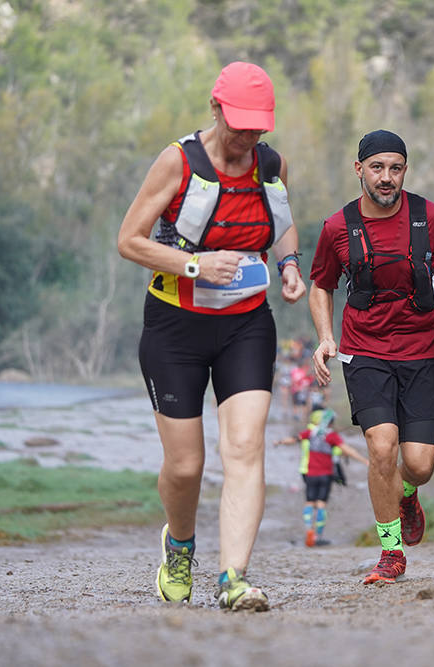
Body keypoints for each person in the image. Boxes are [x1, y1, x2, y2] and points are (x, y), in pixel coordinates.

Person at [116, 61, 306, 611]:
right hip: (175, 325)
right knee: (186, 465)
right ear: (216, 108)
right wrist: (196, 267)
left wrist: (290, 263)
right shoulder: (177, 162)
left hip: (247, 323)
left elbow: (283, 219)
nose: (249, 136)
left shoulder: (271, 164)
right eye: (240, 123)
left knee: (245, 447)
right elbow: (129, 240)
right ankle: (179, 546)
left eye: (258, 126)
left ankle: (234, 579)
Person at [309, 129, 434, 584]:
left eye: (395, 168)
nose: (386, 178)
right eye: (377, 168)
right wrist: (325, 337)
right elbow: (320, 284)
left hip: (422, 349)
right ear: (359, 170)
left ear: (405, 171)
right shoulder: (337, 227)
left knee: (418, 465)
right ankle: (391, 552)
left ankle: (405, 494)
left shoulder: (431, 217)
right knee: (382, 448)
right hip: (364, 351)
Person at [276, 406, 369, 547]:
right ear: (331, 423)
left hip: (310, 474)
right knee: (321, 504)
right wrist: (365, 461)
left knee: (309, 502)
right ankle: (318, 536)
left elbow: (294, 439)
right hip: (326, 475)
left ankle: (309, 530)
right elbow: (347, 450)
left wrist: (280, 442)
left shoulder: (311, 433)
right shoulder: (331, 436)